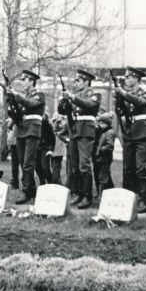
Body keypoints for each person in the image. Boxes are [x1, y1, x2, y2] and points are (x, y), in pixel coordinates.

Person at [114, 67, 146, 212]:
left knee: (140, 168)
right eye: (126, 78)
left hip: (143, 132)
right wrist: (118, 99)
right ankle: (127, 197)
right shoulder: (127, 93)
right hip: (130, 132)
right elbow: (120, 111)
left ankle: (143, 199)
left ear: (136, 78)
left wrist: (123, 94)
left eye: (129, 77)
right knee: (128, 168)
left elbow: (140, 102)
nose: (127, 80)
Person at [59, 69, 101, 209]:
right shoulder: (75, 95)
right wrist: (63, 101)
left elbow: (88, 105)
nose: (76, 83)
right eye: (75, 81)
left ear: (87, 81)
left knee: (84, 164)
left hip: (85, 130)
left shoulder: (94, 94)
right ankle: (78, 193)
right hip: (74, 130)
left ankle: (87, 195)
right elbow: (62, 111)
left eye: (78, 80)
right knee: (75, 165)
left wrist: (72, 97)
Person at [7, 69, 47, 205]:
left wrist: (15, 94)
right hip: (21, 130)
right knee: (22, 162)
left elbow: (30, 104)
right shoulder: (24, 96)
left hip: (32, 130)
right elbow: (18, 112)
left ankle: (26, 191)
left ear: (31, 81)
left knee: (28, 163)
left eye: (24, 80)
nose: (22, 83)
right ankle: (31, 189)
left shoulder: (39, 95)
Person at [94, 113, 116, 196]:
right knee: (106, 175)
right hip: (101, 157)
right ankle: (111, 191)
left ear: (108, 123)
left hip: (105, 158)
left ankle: (102, 195)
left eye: (102, 123)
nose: (100, 125)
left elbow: (110, 145)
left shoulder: (109, 132)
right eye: (100, 123)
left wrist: (102, 150)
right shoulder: (103, 132)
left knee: (103, 177)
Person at [49, 115, 67, 184]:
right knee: (55, 168)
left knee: (56, 168)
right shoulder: (57, 123)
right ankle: (57, 182)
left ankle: (56, 183)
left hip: (58, 150)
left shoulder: (60, 125)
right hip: (55, 149)